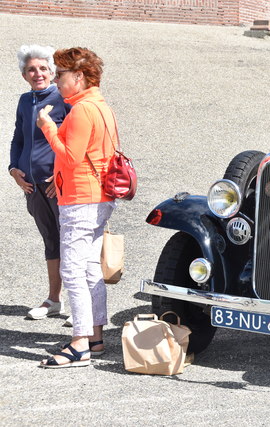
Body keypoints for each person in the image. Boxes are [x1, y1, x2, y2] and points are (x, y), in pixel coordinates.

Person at [36, 47, 117, 368]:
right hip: (97, 198)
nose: (55, 81)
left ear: (79, 76)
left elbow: (70, 157)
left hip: (81, 199)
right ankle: (95, 337)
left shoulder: (83, 110)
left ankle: (80, 343)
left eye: (60, 74)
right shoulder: (100, 106)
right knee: (88, 268)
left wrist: (48, 128)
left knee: (72, 269)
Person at [9, 45, 71, 322]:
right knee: (51, 241)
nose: (38, 74)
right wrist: (13, 168)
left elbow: (75, 143)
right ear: (24, 75)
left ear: (52, 72)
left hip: (59, 185)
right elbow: (18, 139)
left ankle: (78, 305)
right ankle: (53, 300)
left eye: (43, 68)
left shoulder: (64, 99)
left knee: (72, 242)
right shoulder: (25, 101)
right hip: (32, 187)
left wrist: (61, 176)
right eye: (32, 69)